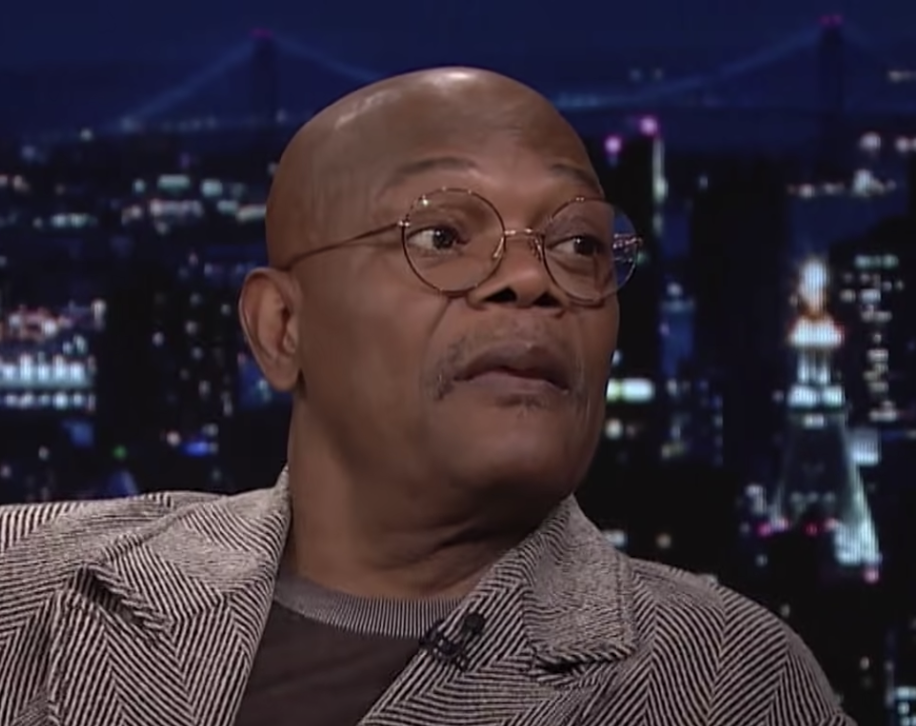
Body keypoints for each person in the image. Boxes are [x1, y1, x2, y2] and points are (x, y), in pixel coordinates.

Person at [0, 68, 855, 726]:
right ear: (282, 328)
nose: (532, 281)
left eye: (579, 246)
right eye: (443, 236)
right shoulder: (26, 581)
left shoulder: (731, 684)